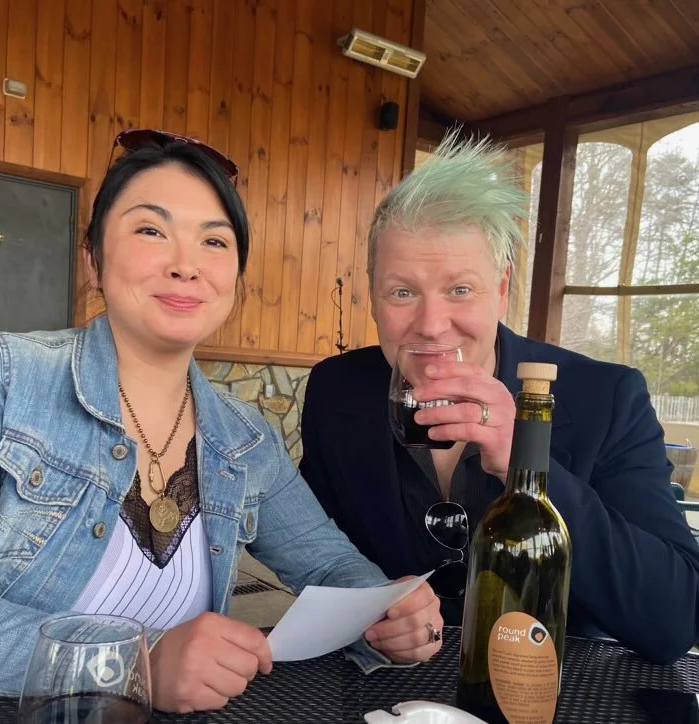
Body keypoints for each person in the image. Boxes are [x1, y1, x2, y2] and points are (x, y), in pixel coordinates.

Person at [0, 131, 444, 723]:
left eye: (214, 241)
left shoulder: (244, 439)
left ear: (236, 278)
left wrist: (387, 611)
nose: (186, 265)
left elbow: (328, 568)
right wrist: (135, 662)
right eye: (151, 230)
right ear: (92, 259)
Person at [300, 132, 699, 666]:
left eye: (460, 289)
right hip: (386, 690)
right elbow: (316, 554)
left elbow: (674, 618)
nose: (431, 324)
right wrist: (369, 609)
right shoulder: (337, 391)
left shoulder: (606, 398)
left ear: (503, 290)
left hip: (556, 688)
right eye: (402, 291)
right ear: (372, 294)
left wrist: (526, 460)